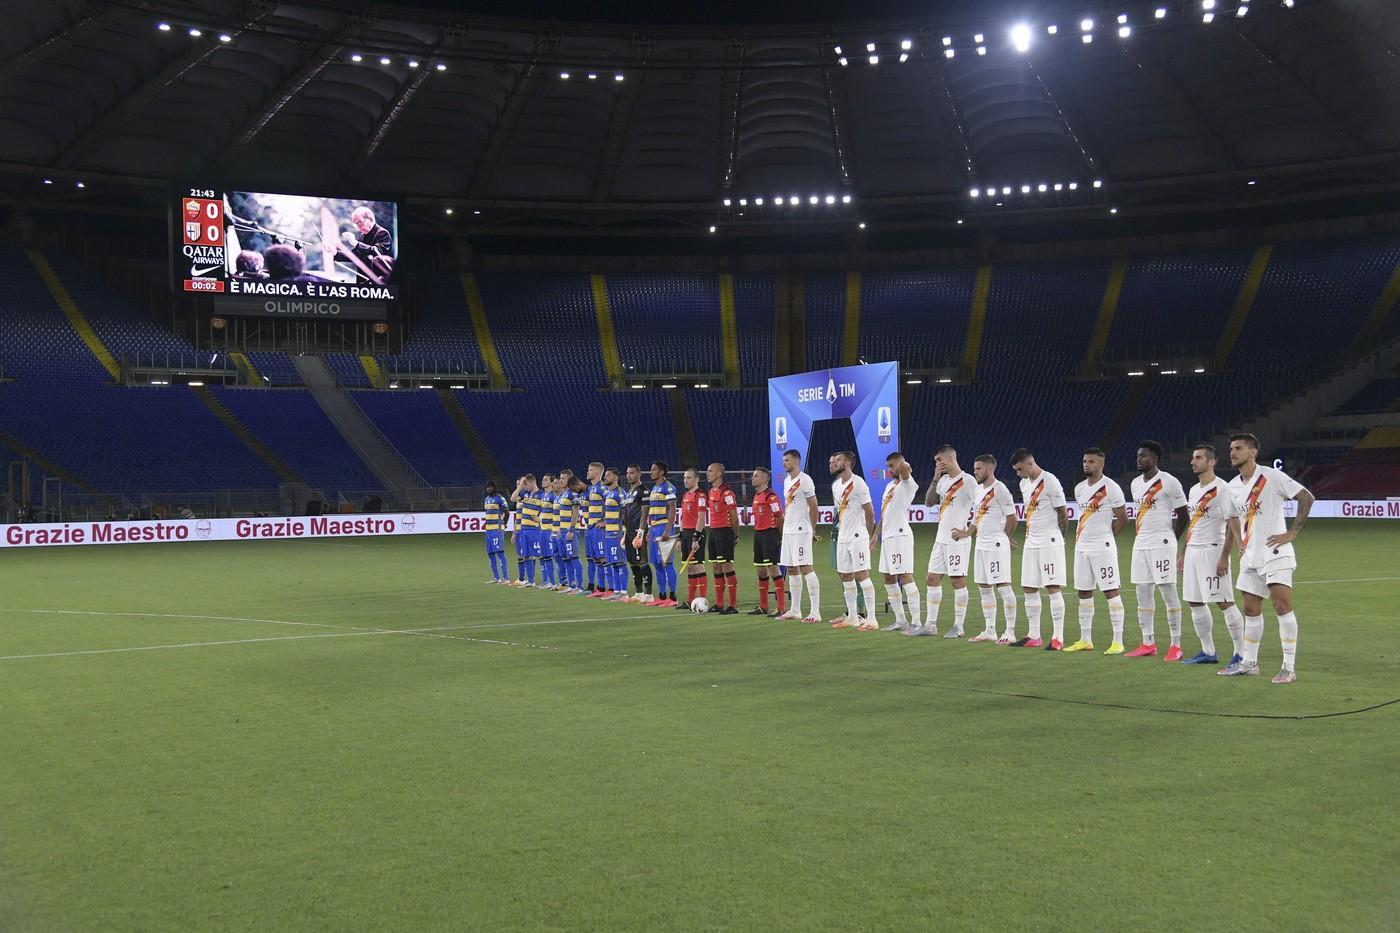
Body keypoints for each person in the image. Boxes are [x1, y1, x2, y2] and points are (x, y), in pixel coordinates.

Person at [1219, 433, 1314, 683]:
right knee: (1250, 609)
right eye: (1231, 448)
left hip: (1276, 553)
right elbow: (1231, 516)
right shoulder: (1232, 486)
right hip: (1250, 555)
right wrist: (1241, 543)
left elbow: (1306, 497)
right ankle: (1249, 663)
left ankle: (1288, 668)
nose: (1232, 452)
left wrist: (1292, 532)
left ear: (1253, 452)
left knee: (1281, 606)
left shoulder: (1271, 476)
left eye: (1238, 448)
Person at [1179, 444, 1245, 665]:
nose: (1193, 462)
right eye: (1193, 457)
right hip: (1193, 552)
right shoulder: (1194, 490)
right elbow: (1192, 525)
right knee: (1194, 601)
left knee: (1224, 601)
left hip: (1212, 550)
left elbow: (1232, 524)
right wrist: (1183, 553)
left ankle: (1241, 653)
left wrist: (1225, 556)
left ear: (1211, 462)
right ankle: (1208, 652)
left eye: (1198, 458)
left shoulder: (1223, 489)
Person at [1126, 441, 1191, 659]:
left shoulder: (1169, 482)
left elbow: (1184, 515)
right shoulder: (1135, 483)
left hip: (1162, 543)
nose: (1139, 459)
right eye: (1138, 456)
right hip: (1141, 543)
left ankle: (1176, 645)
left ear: (1155, 459)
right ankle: (1148, 643)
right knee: (1142, 592)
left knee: (1167, 591)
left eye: (1144, 456)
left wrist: (1170, 537)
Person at [910, 444, 978, 638]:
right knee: (931, 578)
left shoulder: (968, 481)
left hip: (957, 539)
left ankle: (959, 626)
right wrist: (934, 478)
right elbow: (929, 502)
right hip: (941, 538)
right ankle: (930, 625)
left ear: (950, 458)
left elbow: (981, 506)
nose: (937, 463)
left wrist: (969, 531)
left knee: (957, 580)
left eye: (939, 460)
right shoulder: (943, 481)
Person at [1071, 448, 1129, 653]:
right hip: (1081, 547)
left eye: (1092, 462)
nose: (1087, 464)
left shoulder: (1111, 488)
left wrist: (1107, 536)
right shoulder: (1079, 488)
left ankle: (1118, 642)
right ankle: (1085, 640)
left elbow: (1123, 518)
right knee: (1084, 592)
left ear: (1101, 465)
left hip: (1102, 547)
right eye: (1085, 461)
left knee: (1111, 591)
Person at [1010, 448, 1068, 649]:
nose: (1018, 473)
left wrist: (1060, 538)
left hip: (1049, 541)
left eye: (1019, 469)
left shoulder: (1050, 481)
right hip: (1031, 541)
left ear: (1030, 463)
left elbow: (1063, 513)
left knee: (1052, 586)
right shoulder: (1024, 484)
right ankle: (1033, 635)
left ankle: (1058, 637)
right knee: (1028, 586)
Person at [961, 454, 1018, 644]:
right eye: (974, 468)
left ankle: (1010, 632)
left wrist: (1005, 537)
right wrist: (967, 533)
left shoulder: (1000, 490)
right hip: (981, 545)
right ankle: (990, 630)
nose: (974, 471)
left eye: (978, 468)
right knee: (984, 587)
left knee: (1003, 587)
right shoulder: (978, 491)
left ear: (990, 469)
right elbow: (977, 517)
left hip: (995, 545)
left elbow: (1012, 518)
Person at [829, 451, 878, 630]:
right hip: (843, 535)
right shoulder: (836, 486)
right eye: (833, 461)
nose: (834, 463)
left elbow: (870, 512)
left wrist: (868, 536)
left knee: (862, 575)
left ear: (848, 462)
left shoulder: (858, 483)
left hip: (858, 536)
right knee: (846, 576)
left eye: (838, 460)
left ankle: (871, 619)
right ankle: (852, 616)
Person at [874, 451, 921, 632]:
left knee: (905, 576)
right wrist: (876, 535)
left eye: (891, 466)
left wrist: (903, 464)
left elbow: (904, 471)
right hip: (888, 536)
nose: (889, 469)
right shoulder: (889, 487)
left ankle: (916, 622)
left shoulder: (908, 484)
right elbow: (884, 514)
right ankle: (900, 620)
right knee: (888, 577)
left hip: (900, 536)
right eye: (888, 466)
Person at [776, 449, 823, 623]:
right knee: (791, 568)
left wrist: (812, 529)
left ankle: (815, 612)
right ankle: (795, 610)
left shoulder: (805, 480)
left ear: (796, 461)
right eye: (783, 460)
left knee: (805, 567)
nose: (784, 463)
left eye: (787, 460)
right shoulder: (788, 481)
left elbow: (814, 506)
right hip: (789, 530)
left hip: (802, 529)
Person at [749, 467, 786, 616]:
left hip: (769, 534)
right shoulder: (757, 496)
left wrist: (780, 536)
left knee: (773, 569)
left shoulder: (771, 497)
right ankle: (763, 606)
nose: (753, 478)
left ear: (765, 479)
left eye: (756, 476)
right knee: (760, 569)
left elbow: (780, 517)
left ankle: (781, 607)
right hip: (758, 534)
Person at [705, 462, 740, 615]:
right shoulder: (711, 491)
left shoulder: (727, 493)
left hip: (724, 532)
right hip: (713, 532)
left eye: (710, 471)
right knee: (716, 567)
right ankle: (719, 603)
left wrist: (735, 534)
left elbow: (734, 515)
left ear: (719, 474)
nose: (707, 473)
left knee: (727, 567)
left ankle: (732, 605)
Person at [646, 461, 680, 607]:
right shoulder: (654, 489)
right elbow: (652, 511)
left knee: (667, 562)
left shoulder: (669, 488)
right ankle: (661, 595)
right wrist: (648, 530)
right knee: (656, 564)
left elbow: (672, 510)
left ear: (662, 472)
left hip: (663, 527)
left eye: (654, 470)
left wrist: (667, 530)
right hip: (654, 529)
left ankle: (672, 597)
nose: (651, 472)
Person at [679, 468, 709, 609]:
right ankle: (690, 600)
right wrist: (680, 537)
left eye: (689, 478)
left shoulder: (700, 496)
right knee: (690, 567)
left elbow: (702, 517)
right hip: (685, 533)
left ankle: (702, 599)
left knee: (698, 565)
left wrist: (696, 537)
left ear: (696, 479)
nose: (686, 480)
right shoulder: (685, 495)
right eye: (685, 477)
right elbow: (683, 517)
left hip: (695, 533)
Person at [623, 465, 654, 603]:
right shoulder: (629, 492)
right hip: (629, 532)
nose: (629, 475)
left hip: (638, 532)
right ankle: (639, 592)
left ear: (639, 474)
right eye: (628, 473)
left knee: (642, 562)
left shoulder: (644, 491)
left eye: (632, 473)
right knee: (633, 563)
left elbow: (644, 515)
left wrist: (640, 534)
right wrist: (624, 535)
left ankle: (649, 594)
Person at [601, 468, 629, 600]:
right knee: (612, 563)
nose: (605, 477)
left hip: (617, 534)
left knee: (620, 563)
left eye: (608, 475)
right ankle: (616, 591)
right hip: (608, 534)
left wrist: (623, 532)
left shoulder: (621, 493)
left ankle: (623, 592)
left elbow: (625, 512)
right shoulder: (608, 493)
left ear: (616, 477)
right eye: (605, 475)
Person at [509, 474, 541, 587]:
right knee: (526, 555)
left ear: (532, 482)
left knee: (538, 555)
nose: (524, 486)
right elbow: (512, 498)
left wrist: (540, 520)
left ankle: (547, 581)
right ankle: (530, 581)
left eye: (526, 484)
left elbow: (547, 511)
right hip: (523, 530)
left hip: (535, 530)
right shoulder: (525, 495)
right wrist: (520, 486)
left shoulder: (541, 495)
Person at [554, 473, 581, 594]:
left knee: (573, 558)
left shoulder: (573, 494)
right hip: (562, 532)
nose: (561, 480)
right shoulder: (562, 495)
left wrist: (571, 529)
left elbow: (575, 513)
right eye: (560, 478)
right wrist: (560, 530)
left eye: (564, 478)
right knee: (566, 559)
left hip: (570, 532)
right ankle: (571, 585)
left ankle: (579, 587)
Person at [584, 462, 607, 596]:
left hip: (599, 529)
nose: (588, 472)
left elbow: (609, 503)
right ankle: (600, 588)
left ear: (598, 472)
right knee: (596, 559)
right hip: (591, 528)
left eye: (590, 470)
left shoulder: (602, 487)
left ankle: (606, 589)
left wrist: (604, 520)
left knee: (603, 558)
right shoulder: (591, 489)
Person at [483, 481, 510, 584]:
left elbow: (507, 512)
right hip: (488, 530)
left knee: (500, 553)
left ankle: (506, 578)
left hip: (497, 530)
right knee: (490, 553)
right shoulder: (486, 500)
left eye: (490, 487)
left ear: (494, 488)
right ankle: (496, 577)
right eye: (487, 488)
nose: (488, 489)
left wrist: (504, 524)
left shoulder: (500, 498)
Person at [537, 474, 559, 590]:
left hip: (550, 530)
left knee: (553, 557)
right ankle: (550, 582)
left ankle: (558, 582)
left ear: (551, 483)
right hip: (542, 530)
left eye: (545, 480)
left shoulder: (553, 496)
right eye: (543, 479)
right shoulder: (543, 496)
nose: (543, 481)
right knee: (545, 557)